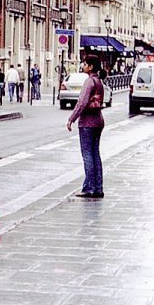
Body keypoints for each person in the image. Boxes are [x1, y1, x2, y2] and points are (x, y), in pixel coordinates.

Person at [66, 55, 105, 199]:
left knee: (87, 155)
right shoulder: (99, 81)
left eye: (85, 63)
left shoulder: (89, 82)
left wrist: (71, 119)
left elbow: (81, 103)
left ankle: (89, 188)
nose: (83, 65)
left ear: (91, 66)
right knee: (95, 154)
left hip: (87, 122)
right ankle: (98, 187)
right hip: (98, 120)